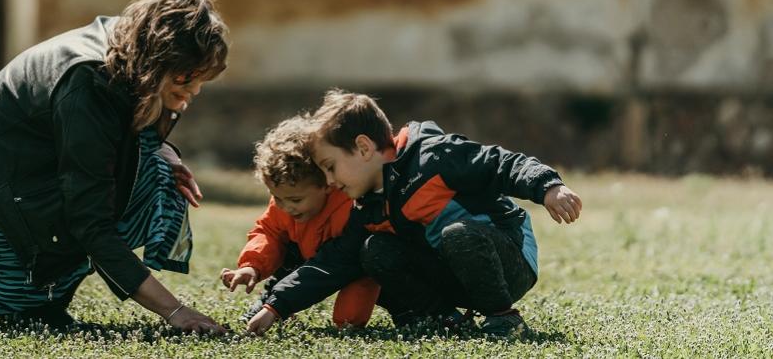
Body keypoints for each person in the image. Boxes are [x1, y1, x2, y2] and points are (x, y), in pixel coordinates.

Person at [0, 0, 229, 334]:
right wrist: (176, 312)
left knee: (157, 174)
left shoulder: (132, 48)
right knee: (90, 213)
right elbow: (90, 219)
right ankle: (31, 296)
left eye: (201, 80)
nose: (194, 91)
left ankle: (39, 297)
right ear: (159, 57)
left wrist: (166, 153)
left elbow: (122, 139)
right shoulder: (87, 83)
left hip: (29, 175)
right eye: (185, 78)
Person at [246, 89, 583, 337]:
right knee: (372, 250)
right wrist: (275, 307)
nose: (331, 181)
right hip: (454, 272)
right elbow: (333, 262)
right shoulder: (367, 205)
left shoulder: (434, 156)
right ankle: (441, 319)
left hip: (510, 260)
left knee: (457, 234)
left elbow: (502, 164)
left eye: (331, 167)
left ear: (363, 148)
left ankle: (503, 318)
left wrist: (548, 187)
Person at [219, 115, 380, 329]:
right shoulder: (284, 206)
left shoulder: (349, 204)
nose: (286, 207)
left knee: (349, 315)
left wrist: (350, 321)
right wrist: (252, 267)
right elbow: (268, 233)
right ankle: (270, 301)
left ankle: (408, 310)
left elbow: (349, 264)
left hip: (349, 264)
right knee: (285, 246)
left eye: (295, 199)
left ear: (327, 183)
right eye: (277, 197)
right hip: (308, 254)